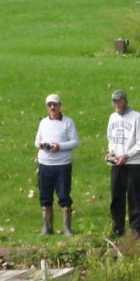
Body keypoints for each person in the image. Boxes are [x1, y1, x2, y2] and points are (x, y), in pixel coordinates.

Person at [34, 93, 79, 235]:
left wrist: (59, 146)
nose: (52, 107)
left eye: (55, 105)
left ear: (60, 105)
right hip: (45, 164)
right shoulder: (43, 122)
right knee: (45, 196)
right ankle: (47, 227)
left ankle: (67, 228)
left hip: (62, 165)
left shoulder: (68, 122)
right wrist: (42, 145)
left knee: (64, 195)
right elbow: (37, 141)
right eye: (50, 105)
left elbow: (75, 142)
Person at [105, 88, 140, 238]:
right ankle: (118, 228)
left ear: (125, 101)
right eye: (114, 102)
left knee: (134, 196)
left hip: (132, 163)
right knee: (116, 196)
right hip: (117, 163)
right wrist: (111, 152)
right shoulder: (112, 118)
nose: (117, 104)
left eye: (120, 101)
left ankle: (137, 229)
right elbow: (111, 138)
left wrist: (127, 155)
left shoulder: (137, 117)